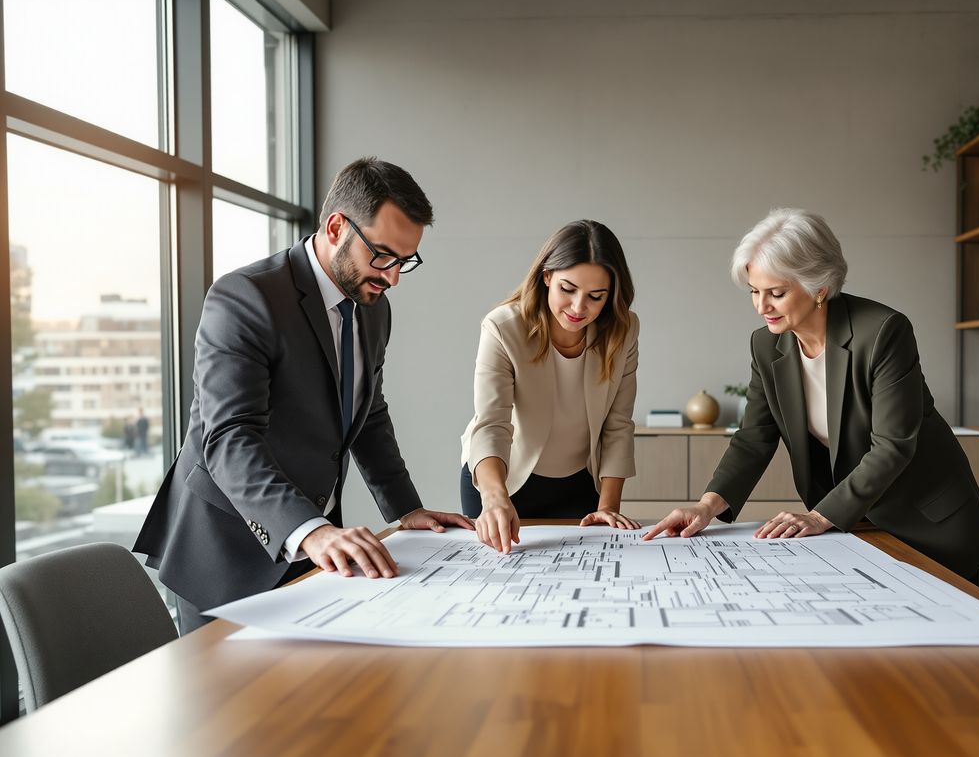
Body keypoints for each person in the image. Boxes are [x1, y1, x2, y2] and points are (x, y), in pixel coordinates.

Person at [135, 157, 472, 631]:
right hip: (228, 549)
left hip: (313, 540)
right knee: (227, 703)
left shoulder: (374, 308)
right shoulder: (245, 298)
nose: (393, 276)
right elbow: (230, 438)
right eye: (382, 255)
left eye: (404, 261)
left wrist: (405, 511)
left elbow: (367, 414)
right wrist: (310, 532)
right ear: (336, 227)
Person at [643, 208, 979, 580]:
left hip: (929, 527)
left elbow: (893, 446)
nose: (762, 307)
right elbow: (754, 438)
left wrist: (819, 516)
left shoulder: (883, 333)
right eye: (755, 292)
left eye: (776, 293)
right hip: (857, 527)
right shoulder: (767, 345)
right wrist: (707, 506)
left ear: (819, 287)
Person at [460, 220, 641, 553]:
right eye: (567, 289)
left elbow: (617, 424)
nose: (577, 308)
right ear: (546, 277)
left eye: (595, 297)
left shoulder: (623, 330)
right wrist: (495, 498)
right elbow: (491, 424)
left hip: (579, 483)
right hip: (502, 481)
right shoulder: (503, 327)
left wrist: (608, 507)